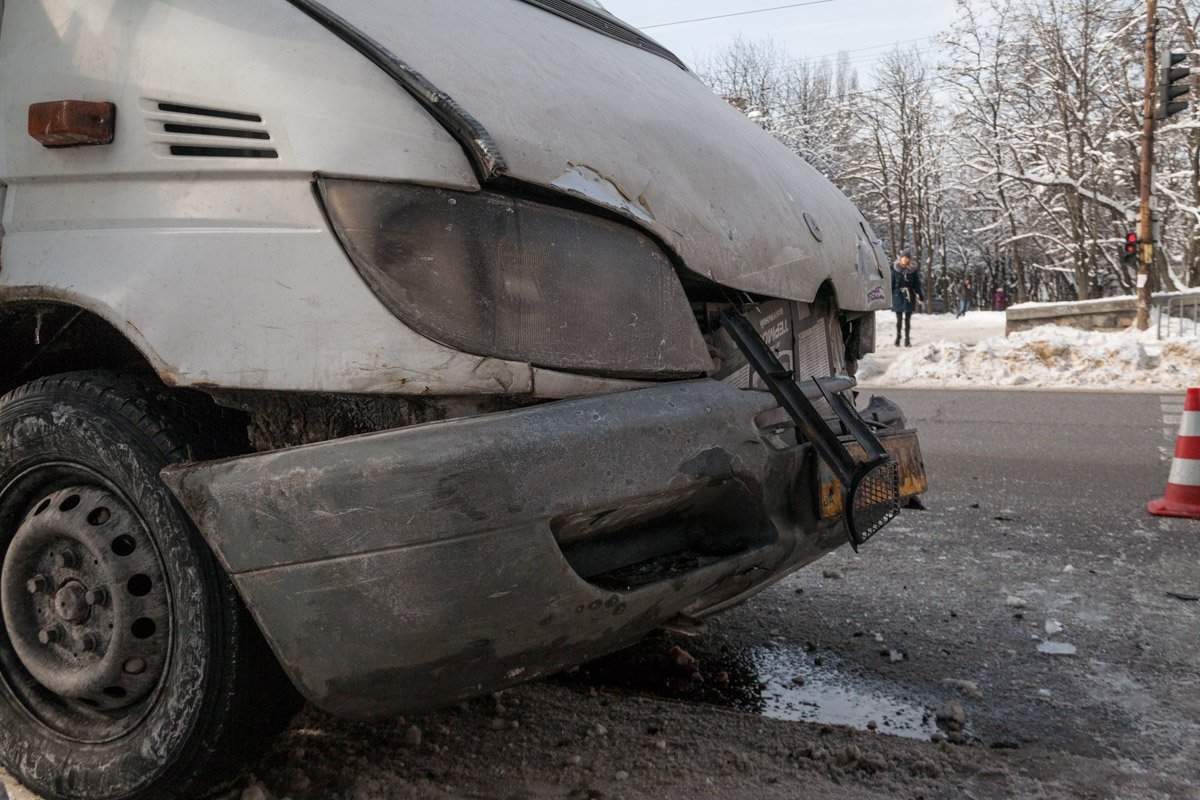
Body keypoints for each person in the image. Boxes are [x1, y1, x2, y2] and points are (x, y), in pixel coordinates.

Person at [891, 254, 924, 347]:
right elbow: (891, 284)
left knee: (907, 320)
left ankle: (907, 339)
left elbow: (917, 285)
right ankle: (898, 338)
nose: (904, 259)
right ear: (900, 259)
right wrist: (889, 296)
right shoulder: (895, 270)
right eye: (903, 257)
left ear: (909, 260)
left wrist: (920, 296)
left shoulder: (913, 271)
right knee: (899, 320)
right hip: (897, 295)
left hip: (909, 295)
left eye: (907, 258)